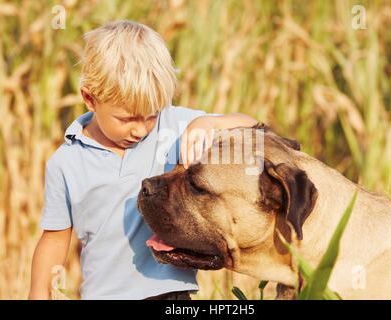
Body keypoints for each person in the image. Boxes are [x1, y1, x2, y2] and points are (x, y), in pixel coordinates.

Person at [28, 20, 257, 300]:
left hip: (170, 294)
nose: (140, 129)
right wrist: (39, 293)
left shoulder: (174, 127)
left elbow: (253, 128)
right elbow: (54, 239)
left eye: (151, 115)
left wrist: (208, 124)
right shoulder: (65, 162)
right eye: (126, 119)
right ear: (90, 98)